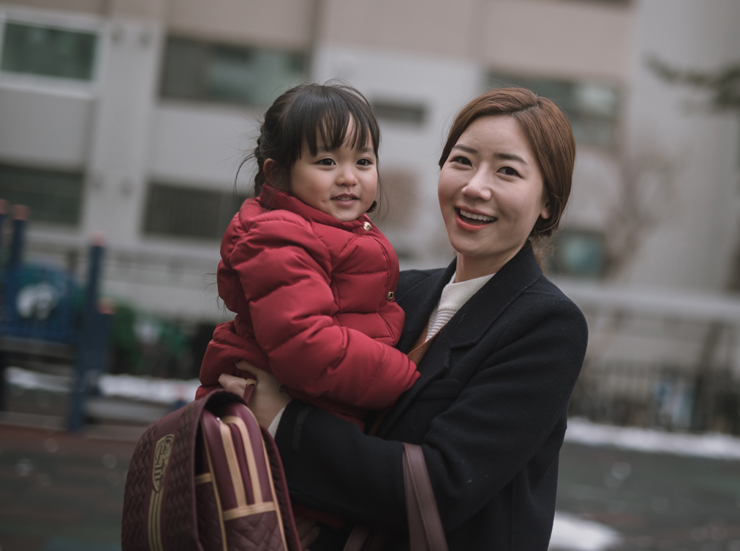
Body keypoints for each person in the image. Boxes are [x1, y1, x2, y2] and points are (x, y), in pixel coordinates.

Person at [222, 87, 589, 551]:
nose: (475, 187)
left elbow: (442, 486)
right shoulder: (400, 292)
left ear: (548, 202)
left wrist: (283, 421)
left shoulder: (547, 325)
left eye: (507, 171)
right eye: (462, 161)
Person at [198, 83, 419, 430]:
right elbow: (305, 345)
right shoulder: (279, 236)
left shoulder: (337, 231)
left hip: (313, 411)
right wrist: (407, 379)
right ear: (277, 173)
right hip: (262, 428)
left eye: (363, 161)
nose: (349, 177)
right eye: (327, 162)